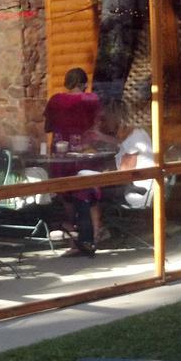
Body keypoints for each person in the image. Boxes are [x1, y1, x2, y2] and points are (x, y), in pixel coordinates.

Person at [44, 68, 103, 252]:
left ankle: (72, 227)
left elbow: (48, 127)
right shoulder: (91, 99)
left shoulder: (55, 100)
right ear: (84, 83)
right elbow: (99, 122)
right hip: (84, 150)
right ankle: (94, 231)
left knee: (65, 191)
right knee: (89, 191)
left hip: (61, 151)